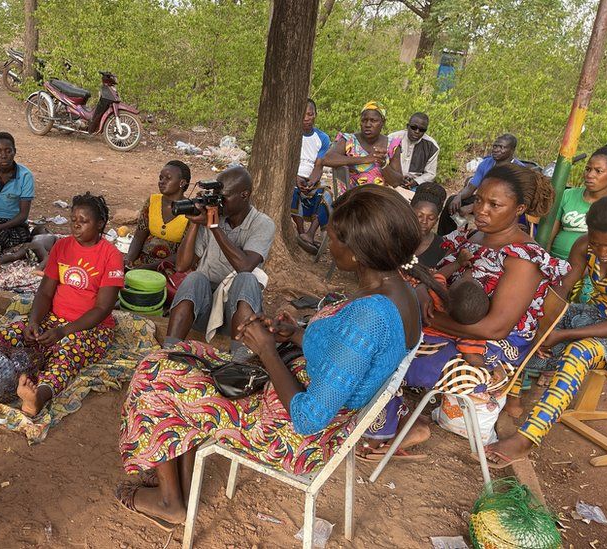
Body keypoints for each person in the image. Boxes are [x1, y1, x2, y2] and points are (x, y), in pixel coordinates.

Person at [114, 185, 429, 529]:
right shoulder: (398, 292)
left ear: (358, 254)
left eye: (334, 235)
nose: (328, 239)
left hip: (290, 436)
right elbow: (349, 356)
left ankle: (169, 501)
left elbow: (309, 418)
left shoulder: (372, 316)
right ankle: (178, 479)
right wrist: (294, 334)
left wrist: (266, 350)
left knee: (154, 375)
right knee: (181, 354)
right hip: (301, 399)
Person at [362, 163, 566, 458]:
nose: (481, 210)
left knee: (387, 351)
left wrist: (432, 320)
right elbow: (432, 274)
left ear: (519, 208)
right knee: (374, 327)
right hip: (450, 324)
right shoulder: (472, 237)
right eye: (479, 199)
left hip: (490, 348)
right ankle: (407, 419)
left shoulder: (524, 258)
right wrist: (420, 292)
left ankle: (382, 431)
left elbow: (495, 328)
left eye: (494, 204)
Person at [487, 196, 607, 466]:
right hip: (595, 315)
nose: (603, 252)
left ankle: (528, 438)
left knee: (579, 351)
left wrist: (561, 334)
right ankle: (502, 397)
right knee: (528, 320)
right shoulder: (584, 246)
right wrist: (546, 323)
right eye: (597, 243)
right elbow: (562, 289)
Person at [0, 193, 123, 416]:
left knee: (67, 354)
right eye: (73, 220)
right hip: (53, 320)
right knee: (10, 333)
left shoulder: (111, 256)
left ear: (100, 224)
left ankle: (37, 397)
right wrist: (34, 321)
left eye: (84, 221)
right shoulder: (62, 247)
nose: (76, 226)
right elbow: (45, 292)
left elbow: (102, 309)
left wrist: (63, 331)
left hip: (89, 327)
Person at [164, 166, 275, 361]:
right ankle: (170, 353)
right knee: (195, 278)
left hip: (235, 318)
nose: (218, 203)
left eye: (224, 197)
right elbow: (181, 265)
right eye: (216, 197)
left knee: (247, 280)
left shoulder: (262, 224)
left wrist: (214, 226)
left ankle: (239, 361)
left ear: (244, 195)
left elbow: (245, 266)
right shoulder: (213, 217)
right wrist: (194, 224)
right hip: (203, 313)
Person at [546, 142, 607, 260]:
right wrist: (545, 260)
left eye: (598, 171)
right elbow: (548, 233)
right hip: (554, 261)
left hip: (590, 269)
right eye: (588, 169)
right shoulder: (567, 195)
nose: (590, 175)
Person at [439, 134, 524, 235]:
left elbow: (508, 200)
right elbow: (471, 187)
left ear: (512, 150)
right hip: (483, 199)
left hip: (502, 205)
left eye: (502, 147)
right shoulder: (486, 163)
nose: (496, 150)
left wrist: (473, 207)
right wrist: (459, 196)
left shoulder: (518, 170)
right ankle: (446, 239)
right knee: (451, 202)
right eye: (495, 146)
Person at [322, 101, 403, 192]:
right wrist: (365, 159)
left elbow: (397, 182)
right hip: (349, 199)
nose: (368, 125)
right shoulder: (348, 140)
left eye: (373, 121)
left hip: (380, 200)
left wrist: (383, 164)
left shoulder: (392, 145)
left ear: (383, 122)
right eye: (364, 120)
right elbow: (326, 159)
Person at [124, 160, 191, 269]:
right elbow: (138, 237)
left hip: (171, 268)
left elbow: (184, 253)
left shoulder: (190, 209)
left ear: (182, 183)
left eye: (168, 178)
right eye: (161, 178)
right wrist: (128, 260)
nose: (162, 182)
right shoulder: (152, 201)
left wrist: (149, 267)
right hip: (143, 262)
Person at [289, 98, 332, 253]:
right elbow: (286, 163)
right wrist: (295, 177)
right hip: (292, 178)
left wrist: (312, 182)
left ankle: (310, 234)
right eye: (303, 115)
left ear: (315, 115)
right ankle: (301, 231)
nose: (306, 118)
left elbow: (319, 165)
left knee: (326, 194)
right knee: (292, 191)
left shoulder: (322, 138)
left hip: (311, 180)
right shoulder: (291, 136)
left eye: (310, 114)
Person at [389, 112, 440, 188]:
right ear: (407, 126)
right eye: (413, 127)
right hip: (391, 180)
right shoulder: (393, 138)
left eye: (421, 130)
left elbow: (430, 173)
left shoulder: (432, 146)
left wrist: (416, 182)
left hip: (414, 185)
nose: (417, 131)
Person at [411, 182, 448, 268]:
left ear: (436, 220)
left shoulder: (441, 247)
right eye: (419, 216)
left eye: (431, 218)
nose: (424, 221)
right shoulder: (394, 237)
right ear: (410, 212)